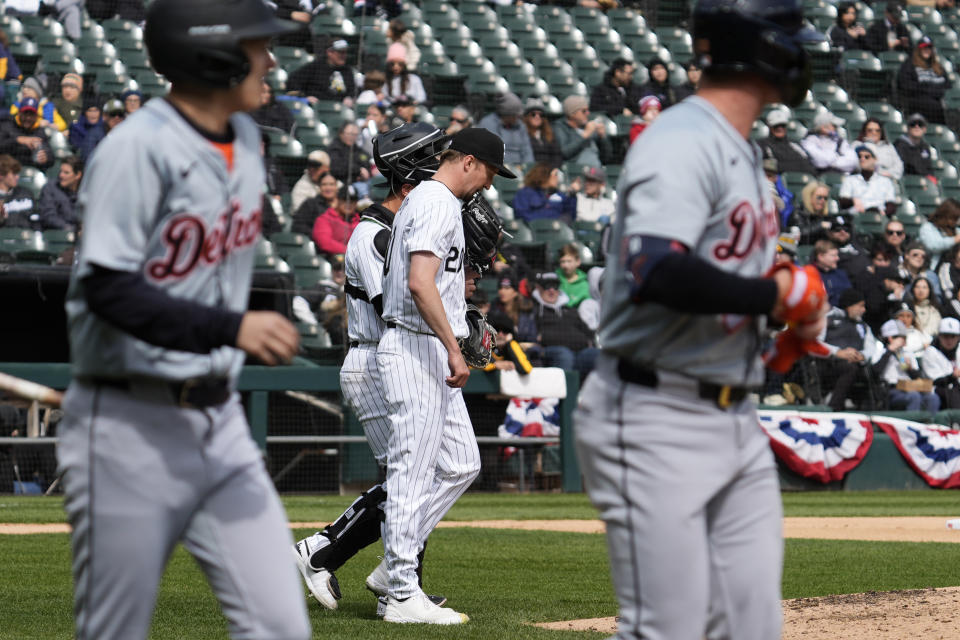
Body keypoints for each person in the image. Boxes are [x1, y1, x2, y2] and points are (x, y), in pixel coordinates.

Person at [54, 2, 312, 639]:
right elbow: (107, 289)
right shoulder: (135, 150)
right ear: (213, 55)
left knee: (280, 625)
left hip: (218, 421)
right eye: (258, 45)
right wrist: (231, 328)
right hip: (128, 424)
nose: (271, 59)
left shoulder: (249, 138)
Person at [573, 2, 828, 638]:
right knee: (668, 630)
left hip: (732, 415)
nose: (802, 50)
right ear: (762, 48)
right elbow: (656, 271)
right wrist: (774, 297)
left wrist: (779, 332)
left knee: (750, 627)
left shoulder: (738, 147)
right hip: (654, 413)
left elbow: (723, 281)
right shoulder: (683, 138)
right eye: (790, 37)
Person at [292, 123, 452, 611]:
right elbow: (398, 307)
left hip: (392, 357)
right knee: (409, 476)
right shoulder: (373, 234)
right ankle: (323, 551)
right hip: (376, 356)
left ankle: (399, 586)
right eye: (430, 167)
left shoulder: (399, 228)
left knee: (415, 473)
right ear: (408, 180)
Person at [375, 127, 513, 624]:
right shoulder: (435, 200)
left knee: (460, 463)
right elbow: (419, 282)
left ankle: (394, 566)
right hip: (416, 346)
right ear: (470, 162)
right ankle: (400, 592)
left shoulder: (437, 201)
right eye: (491, 173)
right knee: (411, 473)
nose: (490, 185)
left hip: (428, 345)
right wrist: (454, 348)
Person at [819, 288, 879, 411]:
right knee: (849, 368)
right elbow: (814, 343)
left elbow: (872, 347)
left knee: (870, 370)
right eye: (860, 306)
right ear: (850, 305)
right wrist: (837, 352)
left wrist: (861, 355)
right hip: (828, 363)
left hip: (855, 365)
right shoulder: (827, 319)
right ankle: (833, 408)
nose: (864, 310)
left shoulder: (863, 326)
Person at [874, 319, 940, 411]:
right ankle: (913, 424)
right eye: (902, 337)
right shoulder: (880, 351)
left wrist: (910, 368)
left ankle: (931, 424)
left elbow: (918, 376)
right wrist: (890, 351)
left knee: (933, 398)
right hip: (891, 390)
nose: (905, 340)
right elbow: (876, 371)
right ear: (890, 338)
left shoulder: (907, 353)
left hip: (909, 386)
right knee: (914, 396)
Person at [286, 38, 358, 105]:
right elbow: (293, 81)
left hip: (341, 110)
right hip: (318, 108)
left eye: (345, 52)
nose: (344, 55)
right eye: (340, 52)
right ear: (329, 52)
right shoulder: (315, 67)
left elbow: (352, 90)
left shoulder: (347, 70)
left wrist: (349, 97)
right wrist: (305, 98)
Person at [898, 36, 952, 124]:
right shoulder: (910, 65)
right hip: (919, 102)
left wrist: (931, 88)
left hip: (939, 99)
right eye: (924, 47)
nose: (927, 50)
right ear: (918, 49)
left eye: (929, 47)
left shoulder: (938, 66)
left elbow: (948, 85)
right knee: (934, 106)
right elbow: (905, 85)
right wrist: (926, 88)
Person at [838, 142, 897, 216]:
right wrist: (853, 201)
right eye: (859, 156)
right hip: (856, 217)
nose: (862, 159)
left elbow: (891, 204)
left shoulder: (885, 181)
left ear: (875, 159)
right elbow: (843, 201)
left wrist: (884, 213)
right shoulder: (850, 180)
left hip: (878, 216)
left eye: (867, 157)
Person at [554, 95, 612, 168]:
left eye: (588, 110)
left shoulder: (589, 127)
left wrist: (603, 137)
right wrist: (585, 135)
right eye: (584, 111)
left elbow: (607, 158)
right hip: (576, 172)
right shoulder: (560, 128)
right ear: (572, 114)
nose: (588, 113)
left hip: (596, 171)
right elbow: (565, 153)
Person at [478, 92, 534, 166]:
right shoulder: (486, 124)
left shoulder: (521, 126)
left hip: (519, 169)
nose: (517, 118)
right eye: (515, 115)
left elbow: (527, 152)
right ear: (506, 114)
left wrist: (526, 167)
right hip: (496, 168)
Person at [512, 163, 576, 223]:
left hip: (558, 231)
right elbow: (522, 216)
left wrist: (572, 195)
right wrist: (549, 220)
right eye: (555, 174)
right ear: (545, 175)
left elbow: (570, 215)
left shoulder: (559, 194)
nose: (557, 178)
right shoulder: (525, 193)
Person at [758, 108, 816, 174]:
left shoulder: (795, 145)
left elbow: (809, 166)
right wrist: (796, 164)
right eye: (776, 126)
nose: (780, 128)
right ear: (769, 126)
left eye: (782, 125)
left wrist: (780, 165)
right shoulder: (762, 145)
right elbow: (766, 167)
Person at [0, 96, 53, 169]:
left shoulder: (39, 131)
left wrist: (46, 158)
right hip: (7, 170)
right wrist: (18, 140)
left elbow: (50, 154)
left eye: (31, 114)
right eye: (25, 113)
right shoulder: (7, 125)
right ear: (19, 113)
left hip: (31, 170)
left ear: (36, 116)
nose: (28, 118)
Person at [921, 316, 960, 408]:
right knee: (952, 392)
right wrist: (953, 376)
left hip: (956, 388)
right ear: (939, 336)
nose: (949, 340)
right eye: (946, 336)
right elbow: (936, 381)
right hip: (939, 390)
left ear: (958, 337)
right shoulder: (930, 352)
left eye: (953, 336)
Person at [312, 184, 360, 257]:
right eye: (345, 200)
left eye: (352, 200)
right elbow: (325, 243)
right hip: (331, 261)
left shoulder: (360, 221)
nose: (349, 204)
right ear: (337, 200)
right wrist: (352, 251)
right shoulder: (325, 219)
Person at [37, 156, 83, 231]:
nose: (61, 175)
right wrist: (72, 229)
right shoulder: (50, 188)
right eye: (61, 171)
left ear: (78, 175)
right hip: (55, 235)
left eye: (66, 173)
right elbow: (48, 216)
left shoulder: (86, 191)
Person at [327, 120, 373, 188]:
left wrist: (366, 172)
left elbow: (366, 161)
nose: (352, 137)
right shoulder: (334, 149)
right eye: (350, 134)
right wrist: (358, 170)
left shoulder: (358, 150)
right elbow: (336, 167)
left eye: (355, 134)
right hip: (341, 184)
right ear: (341, 133)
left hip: (360, 182)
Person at [292, 171, 339, 236]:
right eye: (324, 184)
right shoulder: (310, 204)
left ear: (337, 187)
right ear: (319, 187)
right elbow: (298, 226)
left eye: (331, 184)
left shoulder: (343, 205)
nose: (328, 188)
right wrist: (317, 234)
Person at [919, 198, 960, 268]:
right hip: (935, 267)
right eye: (953, 218)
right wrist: (954, 240)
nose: (955, 221)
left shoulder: (957, 230)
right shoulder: (928, 228)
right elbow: (933, 245)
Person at [0, 154, 37, 229]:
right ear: (1, 175)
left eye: (17, 173)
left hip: (27, 237)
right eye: (14, 174)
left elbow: (35, 218)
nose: (17, 177)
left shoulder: (26, 194)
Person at [523, 97, 562, 168]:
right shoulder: (522, 134)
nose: (537, 117)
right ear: (527, 116)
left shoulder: (549, 134)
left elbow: (556, 156)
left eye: (541, 115)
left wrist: (551, 169)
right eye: (533, 114)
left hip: (548, 171)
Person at [813, 239, 853, 307]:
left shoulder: (841, 274)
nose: (837, 258)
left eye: (837, 255)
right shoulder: (809, 274)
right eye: (833, 255)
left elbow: (850, 296)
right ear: (820, 256)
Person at [895, 113, 934, 177]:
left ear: (925, 129)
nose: (917, 127)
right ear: (908, 128)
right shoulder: (900, 145)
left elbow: (928, 168)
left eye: (920, 124)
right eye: (913, 124)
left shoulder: (925, 147)